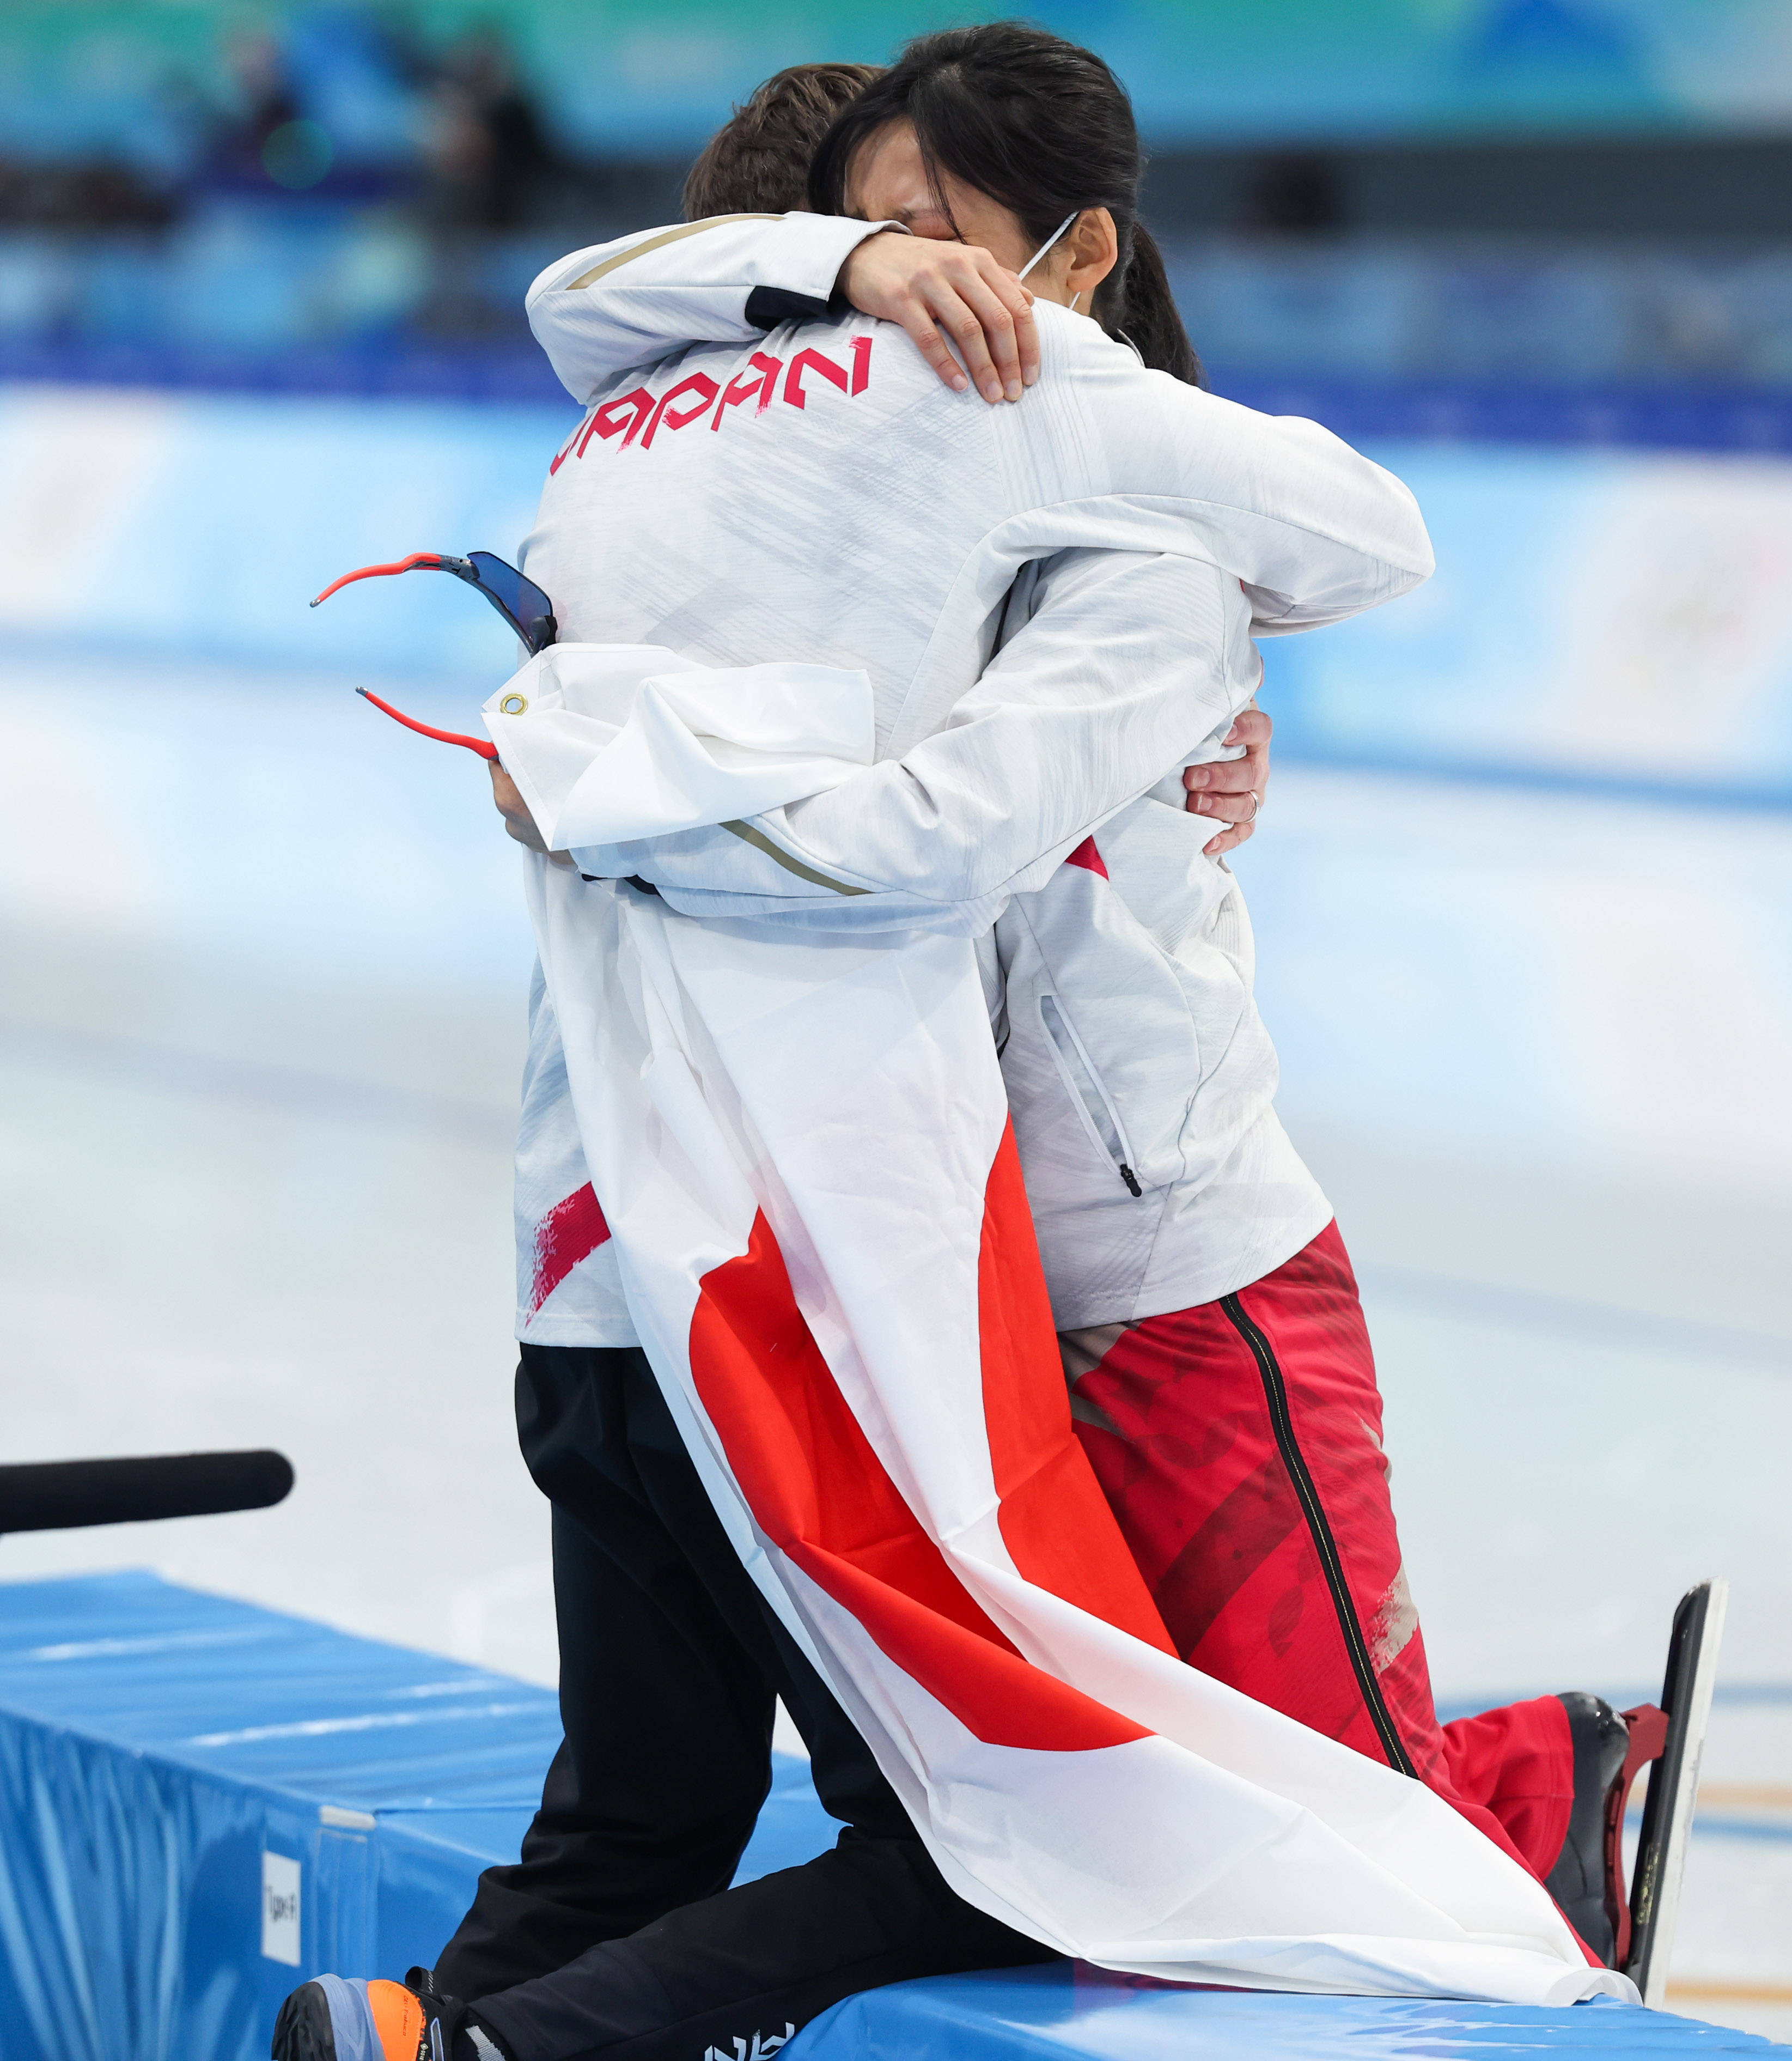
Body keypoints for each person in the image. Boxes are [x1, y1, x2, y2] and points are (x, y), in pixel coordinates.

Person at [271, 30, 1627, 2061]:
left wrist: (627, 793)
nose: (903, 278)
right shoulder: (783, 456)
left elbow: (994, 798)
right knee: (1074, 1821)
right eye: (856, 240)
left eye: (930, 237)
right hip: (894, 1276)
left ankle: (1565, 1792)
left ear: (1066, 259)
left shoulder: (1095, 497)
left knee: (1287, 1805)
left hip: (1151, 1268)